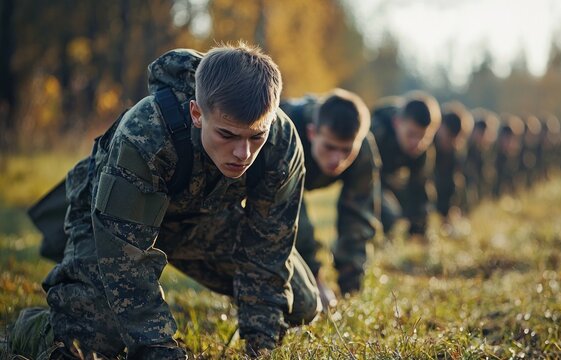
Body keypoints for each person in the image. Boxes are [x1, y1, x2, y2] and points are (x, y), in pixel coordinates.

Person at [9, 44, 321, 359]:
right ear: (197, 114)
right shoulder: (147, 132)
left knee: (301, 303)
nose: (244, 153)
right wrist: (159, 349)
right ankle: (31, 327)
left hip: (201, 221)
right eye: (227, 135)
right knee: (87, 344)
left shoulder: (282, 144)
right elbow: (127, 258)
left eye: (256, 136)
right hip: (114, 224)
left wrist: (261, 347)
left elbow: (267, 253)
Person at [280, 89, 381, 305]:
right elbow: (291, 211)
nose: (338, 159)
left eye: (346, 150)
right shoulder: (286, 132)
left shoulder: (362, 149)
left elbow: (358, 216)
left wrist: (350, 286)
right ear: (312, 133)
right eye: (330, 147)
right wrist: (315, 279)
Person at [370, 92, 441, 242]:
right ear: (397, 123)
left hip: (392, 179)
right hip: (370, 178)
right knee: (388, 213)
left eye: (424, 137)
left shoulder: (425, 150)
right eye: (411, 135)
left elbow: (421, 188)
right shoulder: (376, 133)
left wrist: (418, 230)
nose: (417, 143)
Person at [431, 102, 472, 224]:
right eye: (448, 137)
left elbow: (452, 184)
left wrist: (451, 209)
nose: (450, 143)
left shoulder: (455, 153)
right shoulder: (426, 145)